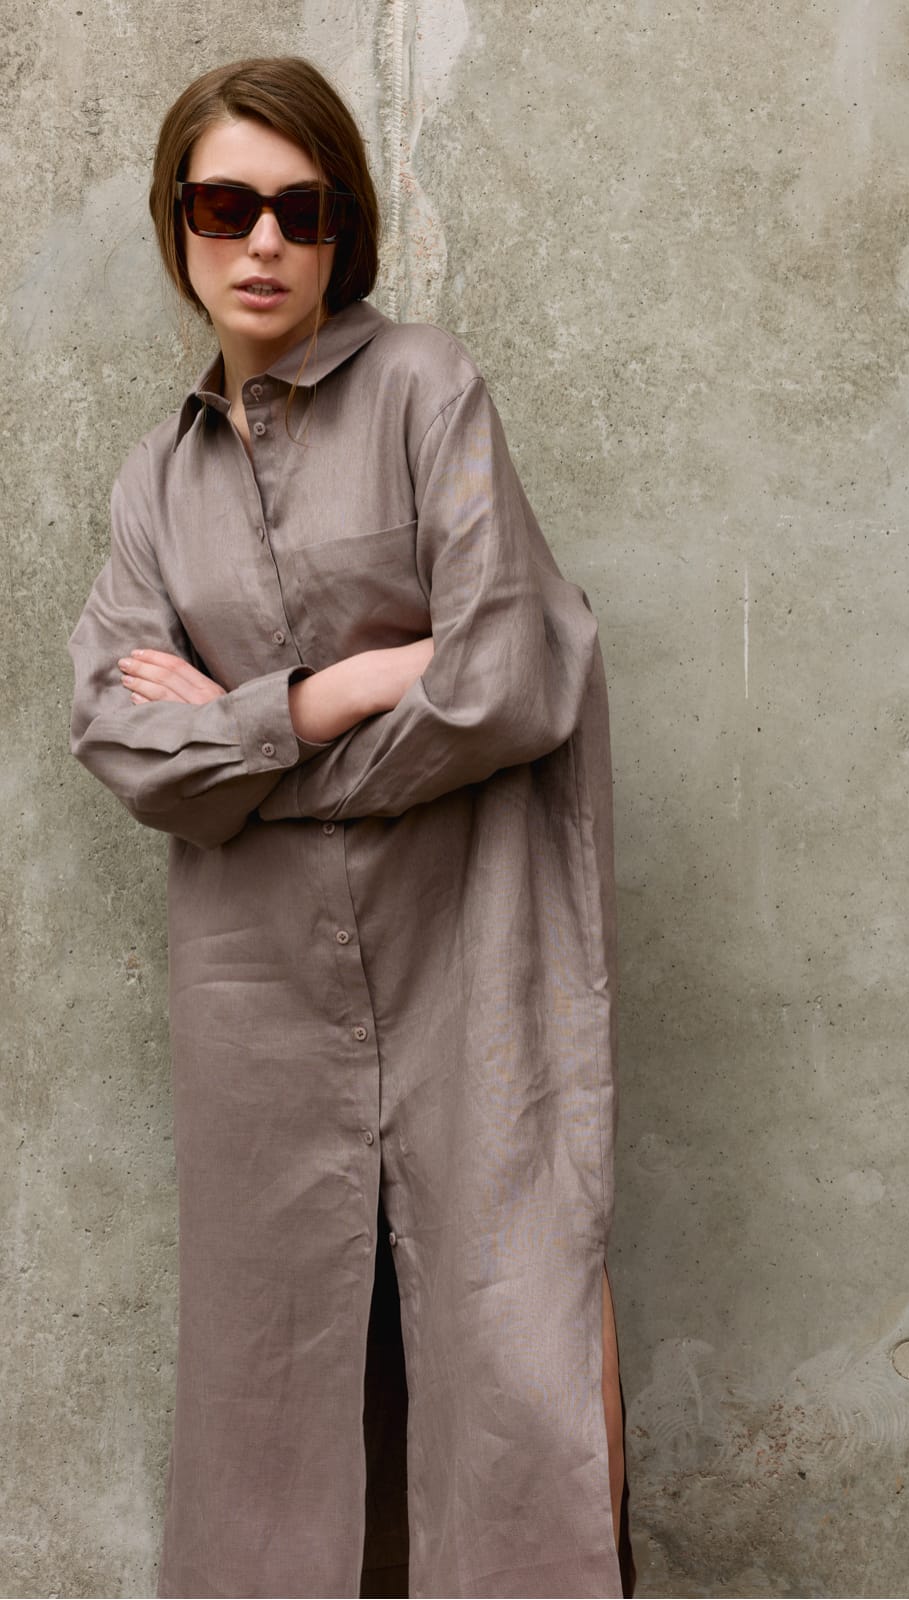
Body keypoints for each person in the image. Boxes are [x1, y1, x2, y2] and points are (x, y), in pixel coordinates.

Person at [67, 55, 635, 1600]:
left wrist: (243, 748)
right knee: (273, 1372)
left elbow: (511, 676)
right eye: (225, 206)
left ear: (343, 230)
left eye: (299, 210)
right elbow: (117, 734)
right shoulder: (153, 487)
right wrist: (336, 692)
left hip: (476, 955)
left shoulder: (427, 390)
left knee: (515, 1338)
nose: (262, 241)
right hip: (259, 991)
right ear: (178, 225)